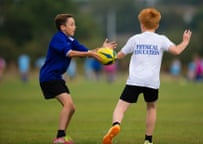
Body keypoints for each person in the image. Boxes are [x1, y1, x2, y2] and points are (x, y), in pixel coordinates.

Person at [102, 8, 192, 144]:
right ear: (157, 25)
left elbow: (118, 56)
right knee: (151, 107)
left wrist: (107, 50)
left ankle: (116, 125)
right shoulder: (161, 40)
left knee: (120, 107)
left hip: (135, 81)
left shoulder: (135, 39)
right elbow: (177, 51)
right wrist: (185, 41)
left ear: (141, 24)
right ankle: (148, 140)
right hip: (152, 82)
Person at [39, 14, 117, 144]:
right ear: (63, 27)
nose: (75, 27)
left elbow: (88, 51)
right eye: (72, 24)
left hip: (56, 77)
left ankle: (62, 136)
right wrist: (90, 53)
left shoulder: (70, 40)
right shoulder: (58, 38)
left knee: (71, 107)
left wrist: (102, 50)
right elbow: (69, 53)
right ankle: (59, 138)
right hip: (49, 77)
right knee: (68, 105)